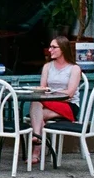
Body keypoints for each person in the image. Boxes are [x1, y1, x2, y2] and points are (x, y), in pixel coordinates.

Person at [29, 35, 82, 166]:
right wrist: (44, 90)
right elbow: (42, 88)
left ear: (63, 49)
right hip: (49, 103)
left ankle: (36, 149)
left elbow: (70, 93)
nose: (50, 50)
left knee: (37, 114)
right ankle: (37, 137)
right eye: (50, 47)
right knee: (36, 103)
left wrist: (50, 92)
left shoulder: (74, 68)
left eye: (53, 47)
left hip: (68, 105)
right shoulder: (47, 66)